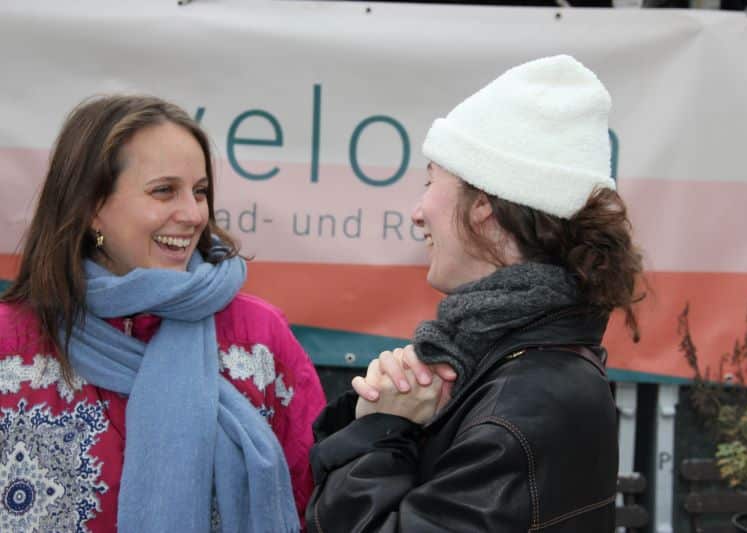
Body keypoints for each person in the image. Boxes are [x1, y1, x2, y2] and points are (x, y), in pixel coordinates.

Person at [305, 55, 644, 532]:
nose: (418, 211)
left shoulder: (524, 404)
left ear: (484, 203)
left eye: (430, 181)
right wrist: (390, 413)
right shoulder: (519, 366)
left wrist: (383, 430)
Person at [0, 95, 326, 532]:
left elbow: (317, 498)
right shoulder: (10, 344)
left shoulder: (260, 337)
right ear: (91, 206)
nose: (192, 215)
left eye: (200, 191)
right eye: (163, 191)